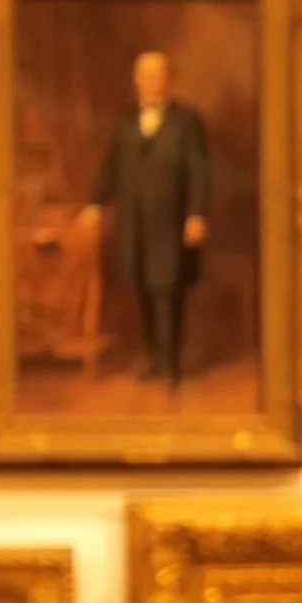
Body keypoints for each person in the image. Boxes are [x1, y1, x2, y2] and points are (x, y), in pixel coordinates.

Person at [80, 51, 210, 388]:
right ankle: (154, 361)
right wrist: (96, 204)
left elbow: (199, 171)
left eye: (159, 75)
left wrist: (197, 214)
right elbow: (110, 168)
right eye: (146, 75)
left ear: (169, 79)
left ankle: (170, 366)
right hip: (134, 224)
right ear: (136, 80)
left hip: (171, 222)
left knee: (167, 289)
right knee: (143, 289)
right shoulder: (125, 123)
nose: (153, 81)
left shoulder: (187, 122)